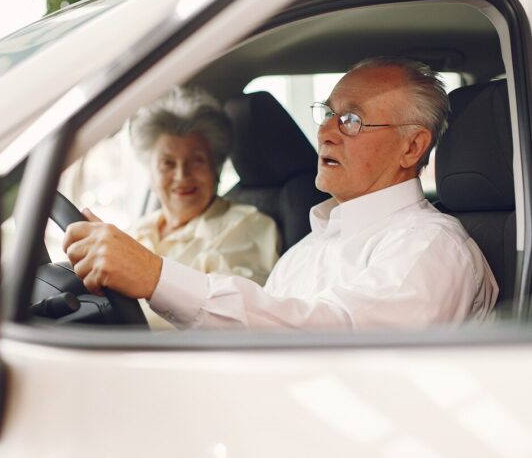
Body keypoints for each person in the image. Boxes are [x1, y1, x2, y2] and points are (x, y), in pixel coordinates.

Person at [64, 57, 498, 329]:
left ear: (412, 147)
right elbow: (255, 337)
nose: (325, 131)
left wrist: (156, 277)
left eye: (351, 120)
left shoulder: (431, 247)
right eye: (327, 113)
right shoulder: (306, 250)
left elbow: (334, 338)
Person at [127, 87, 280, 287]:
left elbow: (232, 309)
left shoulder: (248, 227)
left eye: (196, 161)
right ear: (151, 172)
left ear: (215, 167)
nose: (182, 175)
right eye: (168, 163)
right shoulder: (140, 229)